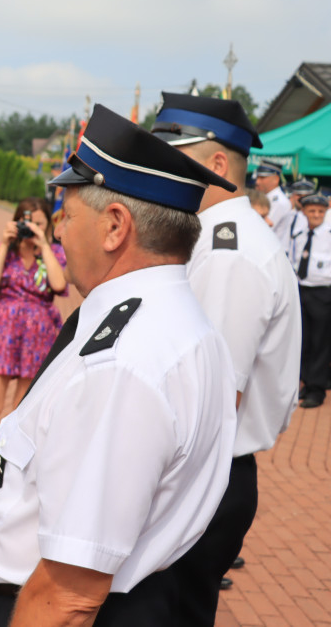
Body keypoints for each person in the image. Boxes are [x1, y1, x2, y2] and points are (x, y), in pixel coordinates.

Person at [0, 104, 238, 626]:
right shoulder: (170, 322)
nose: (57, 233)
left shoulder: (121, 366)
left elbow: (69, 595)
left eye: (66, 215)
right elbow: (44, 467)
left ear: (114, 227)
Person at [151, 92, 301, 612]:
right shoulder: (216, 237)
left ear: (218, 164)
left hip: (202, 473)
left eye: (175, 156)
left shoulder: (227, 252)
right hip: (205, 470)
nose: (162, 168)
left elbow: (212, 396)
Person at [0, 197, 66, 466]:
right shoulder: (6, 252)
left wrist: (44, 245)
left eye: (39, 223)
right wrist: (4, 243)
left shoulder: (54, 254)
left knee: (20, 410)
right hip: (4, 333)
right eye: (27, 222)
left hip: (38, 334)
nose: (32, 228)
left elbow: (59, 285)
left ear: (48, 225)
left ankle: (6, 471)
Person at [289, 193, 331, 409]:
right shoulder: (299, 232)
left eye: (321, 212)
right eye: (312, 211)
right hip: (301, 290)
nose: (316, 215)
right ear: (304, 212)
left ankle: (317, 390)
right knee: (303, 340)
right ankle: (306, 381)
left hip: (322, 293)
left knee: (320, 343)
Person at [254, 159, 292, 245]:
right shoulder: (266, 198)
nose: (257, 182)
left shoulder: (279, 202)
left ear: (276, 179)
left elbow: (263, 230)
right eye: (257, 177)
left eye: (262, 178)